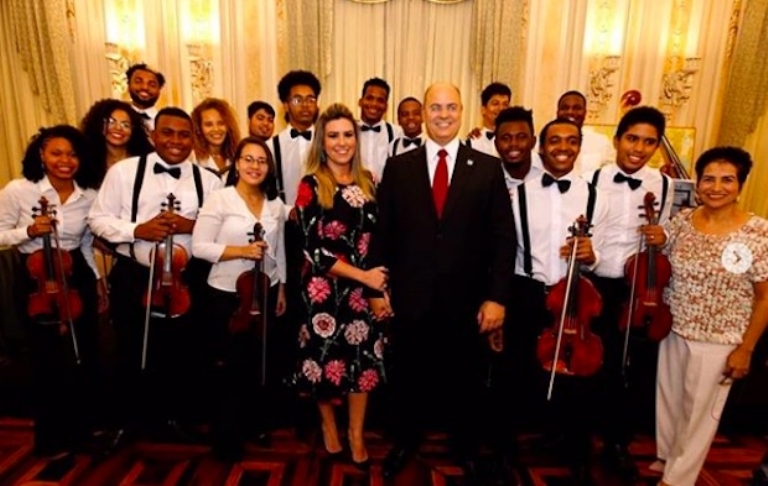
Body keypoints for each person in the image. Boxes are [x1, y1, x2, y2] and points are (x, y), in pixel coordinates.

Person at [373, 83, 515, 483]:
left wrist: (497, 298)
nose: (443, 115)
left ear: (462, 111)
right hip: (411, 298)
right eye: (435, 107)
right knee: (408, 377)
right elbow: (383, 234)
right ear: (424, 112)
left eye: (451, 107)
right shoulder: (398, 167)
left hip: (467, 301)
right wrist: (375, 290)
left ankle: (466, 448)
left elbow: (504, 239)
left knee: (465, 380)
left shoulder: (487, 168)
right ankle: (405, 441)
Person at [88, 107, 222, 447]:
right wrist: (137, 230)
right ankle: (130, 421)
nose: (176, 141)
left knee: (183, 349)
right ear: (153, 135)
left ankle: (178, 417)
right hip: (135, 273)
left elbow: (223, 227)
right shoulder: (124, 172)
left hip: (188, 276)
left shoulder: (209, 180)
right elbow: (97, 219)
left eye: (184, 134)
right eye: (168, 133)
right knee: (130, 345)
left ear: (193, 139)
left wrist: (193, 226)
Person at [655, 147, 768, 486]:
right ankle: (668, 460)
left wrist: (746, 349)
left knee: (699, 414)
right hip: (673, 328)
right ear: (698, 183)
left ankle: (677, 479)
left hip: (719, 338)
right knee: (670, 404)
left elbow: (765, 297)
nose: (716, 187)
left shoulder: (758, 232)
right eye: (709, 179)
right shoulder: (682, 222)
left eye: (727, 180)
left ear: (740, 185)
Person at [508, 117, 610, 485]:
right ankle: (512, 454)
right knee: (519, 374)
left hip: (577, 297)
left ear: (579, 147)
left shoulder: (597, 196)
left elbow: (604, 255)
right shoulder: (517, 194)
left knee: (579, 380)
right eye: (554, 141)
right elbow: (507, 252)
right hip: (530, 293)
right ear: (541, 147)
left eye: (571, 141)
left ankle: (575, 451)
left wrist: (591, 255)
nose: (563, 147)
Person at [290, 103, 388, 471]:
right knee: (323, 362)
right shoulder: (311, 185)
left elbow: (381, 239)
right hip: (324, 291)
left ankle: (356, 434)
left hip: (364, 293)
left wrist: (379, 288)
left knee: (363, 365)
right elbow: (313, 250)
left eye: (348, 134)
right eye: (333, 135)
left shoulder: (369, 181)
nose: (342, 142)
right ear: (322, 141)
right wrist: (363, 277)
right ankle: (329, 426)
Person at [0, 125, 106, 456]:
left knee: (85, 353)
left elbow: (86, 242)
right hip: (35, 276)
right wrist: (28, 231)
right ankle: (49, 437)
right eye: (56, 153)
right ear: (41, 155)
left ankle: (83, 431)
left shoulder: (88, 196)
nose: (65, 160)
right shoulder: (19, 190)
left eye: (72, 154)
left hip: (75, 272)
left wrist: (96, 279)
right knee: (46, 358)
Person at [584, 106, 674, 481]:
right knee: (593, 364)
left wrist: (663, 236)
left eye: (649, 142)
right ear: (617, 139)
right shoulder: (592, 178)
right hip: (597, 284)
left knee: (630, 370)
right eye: (632, 139)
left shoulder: (664, 184)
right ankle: (579, 435)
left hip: (639, 290)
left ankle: (617, 443)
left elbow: (668, 236)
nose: (639, 148)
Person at [192, 136, 287, 461]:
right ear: (237, 164)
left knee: (258, 362)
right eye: (248, 159)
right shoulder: (220, 199)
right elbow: (199, 247)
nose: (255, 166)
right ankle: (226, 436)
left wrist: (282, 287)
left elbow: (280, 250)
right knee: (228, 366)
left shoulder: (274, 204)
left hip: (265, 289)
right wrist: (241, 251)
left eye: (261, 160)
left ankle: (252, 423)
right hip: (225, 295)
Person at [267, 70, 322, 206]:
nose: (305, 105)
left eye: (310, 99)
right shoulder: (271, 147)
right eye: (298, 100)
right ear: (286, 106)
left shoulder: (327, 142)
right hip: (284, 216)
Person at [80, 98, 154, 182]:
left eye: (125, 125)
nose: (118, 128)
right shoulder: (87, 162)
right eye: (111, 122)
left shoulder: (144, 161)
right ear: (98, 124)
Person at [555, 90, 614, 174]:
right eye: (565, 108)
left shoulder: (602, 142)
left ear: (585, 112)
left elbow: (610, 175)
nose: (570, 112)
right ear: (557, 112)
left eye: (577, 108)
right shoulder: (543, 142)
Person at [357, 77, 401, 182]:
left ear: (386, 107)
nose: (374, 104)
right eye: (369, 98)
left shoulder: (396, 133)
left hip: (385, 190)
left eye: (380, 100)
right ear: (360, 102)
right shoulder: (349, 131)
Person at [190, 97, 241, 179]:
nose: (216, 129)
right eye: (209, 125)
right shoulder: (192, 159)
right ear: (198, 128)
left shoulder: (238, 157)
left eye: (221, 123)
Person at [466, 82, 512, 157]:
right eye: (495, 103)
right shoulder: (472, 143)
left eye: (505, 104)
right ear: (483, 109)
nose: (501, 108)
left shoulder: (515, 142)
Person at [126, 63, 165, 132]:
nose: (145, 87)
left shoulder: (164, 122)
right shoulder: (116, 117)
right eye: (138, 82)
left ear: (159, 90)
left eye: (152, 85)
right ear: (128, 85)